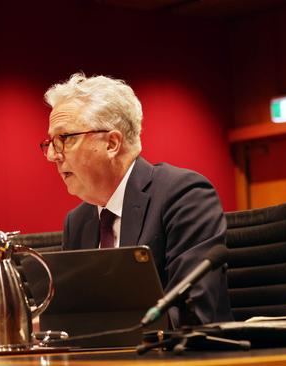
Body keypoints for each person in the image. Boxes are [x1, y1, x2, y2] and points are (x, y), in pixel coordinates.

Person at [41, 72, 233, 327]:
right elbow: (74, 316)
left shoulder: (185, 195)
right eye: (51, 143)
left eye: (64, 139)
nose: (53, 155)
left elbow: (192, 312)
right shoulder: (78, 221)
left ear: (111, 143)